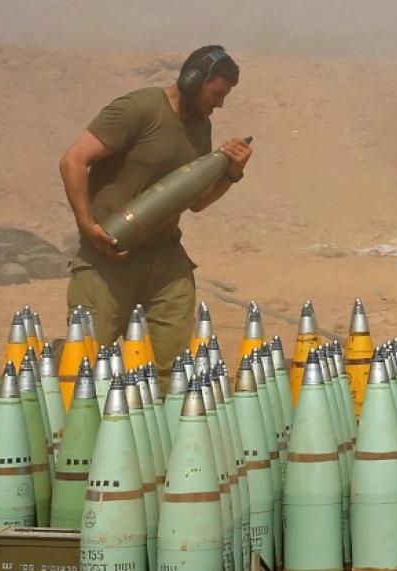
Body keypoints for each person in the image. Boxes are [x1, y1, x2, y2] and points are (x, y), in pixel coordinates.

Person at [59, 45, 252, 391]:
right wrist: (89, 227)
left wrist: (231, 173)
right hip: (109, 256)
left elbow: (195, 203)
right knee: (87, 361)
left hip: (165, 259)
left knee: (175, 367)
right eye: (217, 93)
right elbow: (73, 160)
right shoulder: (140, 108)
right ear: (193, 80)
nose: (220, 104)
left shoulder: (200, 127)